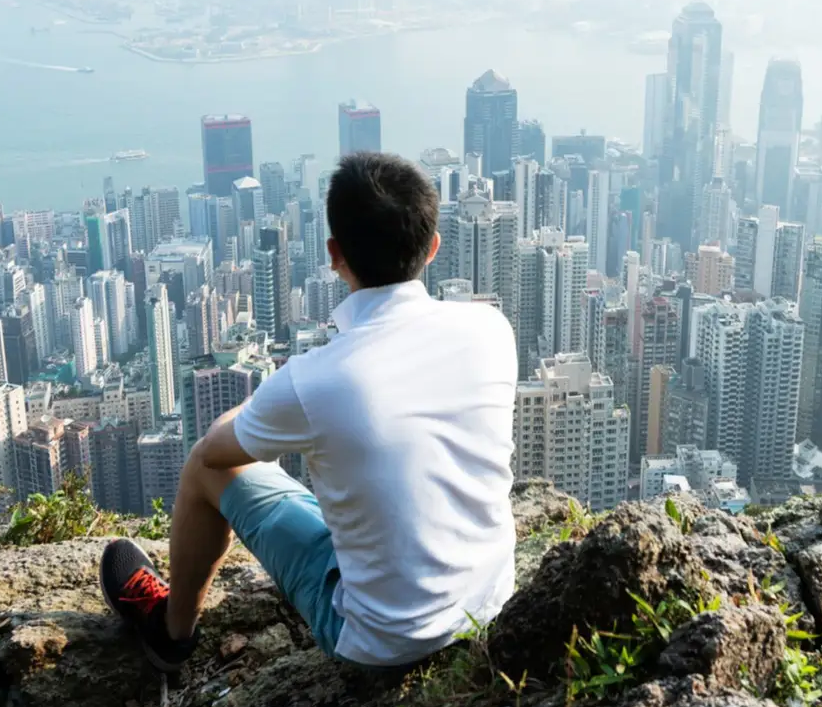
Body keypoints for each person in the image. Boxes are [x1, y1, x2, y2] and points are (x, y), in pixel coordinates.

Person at [100, 150, 518, 672]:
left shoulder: (318, 377)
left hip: (380, 647)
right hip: (491, 609)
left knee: (202, 468)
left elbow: (215, 450)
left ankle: (170, 633)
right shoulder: (490, 329)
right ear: (433, 247)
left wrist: (279, 392)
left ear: (334, 253)